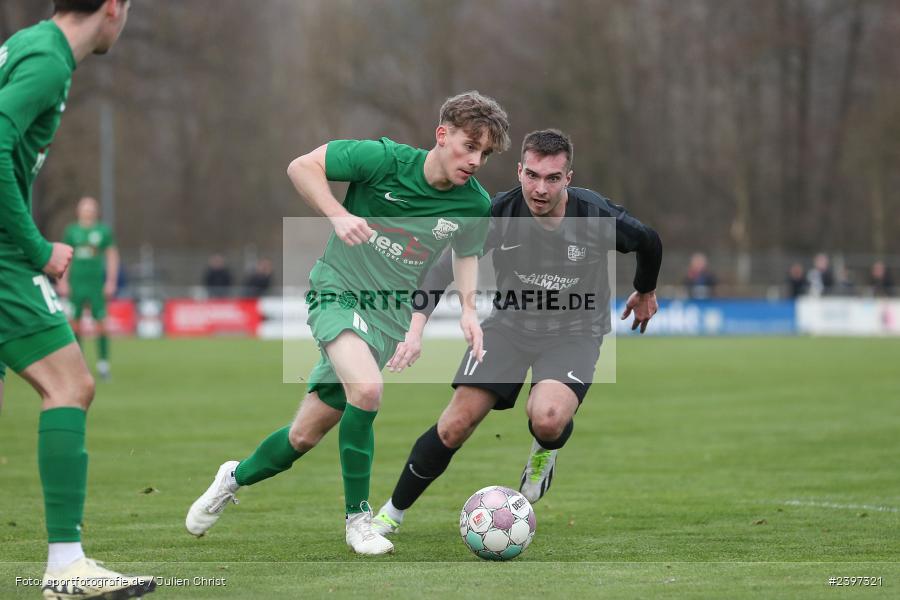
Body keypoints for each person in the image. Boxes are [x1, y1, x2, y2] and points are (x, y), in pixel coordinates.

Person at [185, 91, 511, 555]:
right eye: (468, 146)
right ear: (442, 135)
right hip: (336, 290)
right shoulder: (381, 160)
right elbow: (302, 166)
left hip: (387, 317)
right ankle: (359, 520)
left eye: (485, 153)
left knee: (302, 436)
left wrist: (468, 312)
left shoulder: (473, 204)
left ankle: (232, 477)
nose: (476, 160)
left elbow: (466, 253)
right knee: (368, 390)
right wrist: (338, 215)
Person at [368, 129, 662, 535]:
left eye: (553, 178)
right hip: (507, 326)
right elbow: (441, 269)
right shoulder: (498, 213)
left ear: (568, 178)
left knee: (548, 418)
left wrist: (645, 290)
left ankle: (544, 452)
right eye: (533, 176)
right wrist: (415, 327)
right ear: (519, 170)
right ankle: (391, 514)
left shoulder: (595, 216)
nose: (541, 188)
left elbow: (649, 241)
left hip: (575, 330)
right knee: (454, 424)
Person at [0, 1, 155, 598]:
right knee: (71, 386)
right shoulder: (47, 61)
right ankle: (66, 566)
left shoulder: (28, 42)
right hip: (6, 256)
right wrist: (36, 247)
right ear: (112, 8)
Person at [57, 196, 119, 380]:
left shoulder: (103, 231)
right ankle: (78, 366)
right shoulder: (71, 231)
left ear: (96, 211)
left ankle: (103, 365)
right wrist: (62, 281)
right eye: (85, 208)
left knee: (101, 324)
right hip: (76, 284)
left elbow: (112, 256)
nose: (88, 212)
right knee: (74, 325)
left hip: (96, 285)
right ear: (79, 211)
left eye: (91, 209)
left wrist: (111, 281)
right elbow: (64, 257)